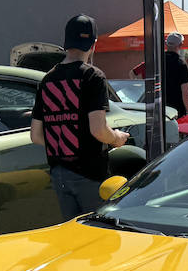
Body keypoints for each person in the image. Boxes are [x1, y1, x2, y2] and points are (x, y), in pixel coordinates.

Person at [30, 14, 129, 219]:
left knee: (72, 236)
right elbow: (98, 130)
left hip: (59, 174)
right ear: (93, 45)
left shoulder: (47, 80)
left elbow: (36, 136)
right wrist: (117, 138)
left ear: (66, 43)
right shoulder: (93, 76)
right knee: (95, 236)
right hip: (90, 174)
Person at [163, 32, 188, 117]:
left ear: (166, 44)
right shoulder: (181, 64)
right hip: (176, 111)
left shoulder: (157, 61)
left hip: (159, 109)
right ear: (180, 45)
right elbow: (186, 92)